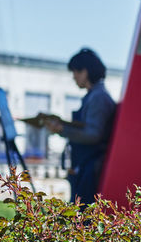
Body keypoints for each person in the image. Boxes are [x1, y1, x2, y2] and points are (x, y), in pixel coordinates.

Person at [45, 48, 116, 204]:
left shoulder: (99, 97)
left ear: (85, 72)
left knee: (84, 218)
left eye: (76, 72)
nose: (74, 77)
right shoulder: (93, 96)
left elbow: (93, 134)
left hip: (91, 169)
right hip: (83, 167)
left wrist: (62, 129)